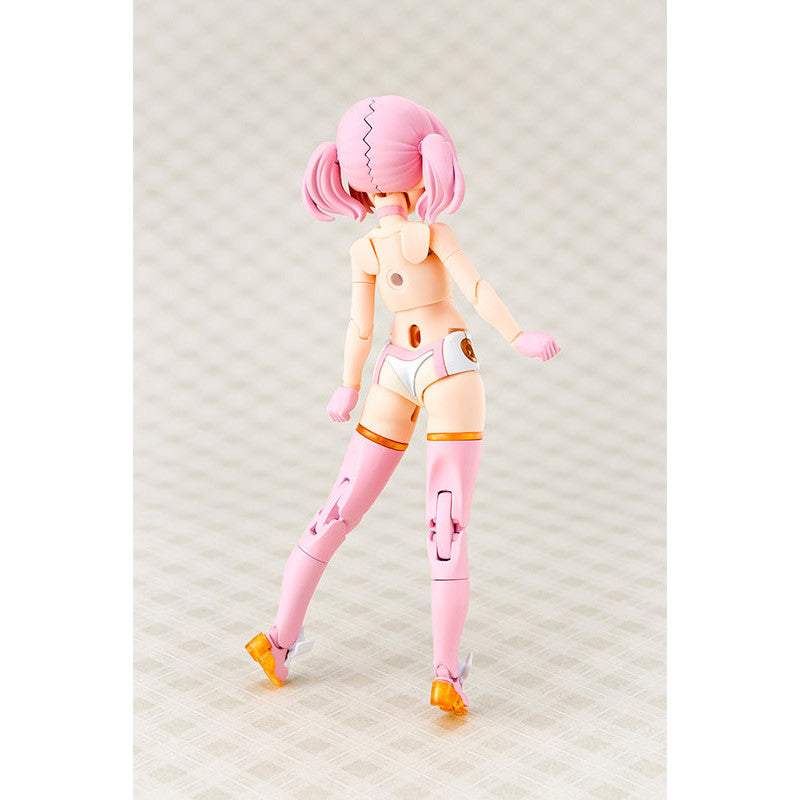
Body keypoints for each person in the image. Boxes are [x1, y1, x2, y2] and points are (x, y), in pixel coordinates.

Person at [246, 95, 560, 715]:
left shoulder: (364, 249)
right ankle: (445, 673)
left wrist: (347, 384)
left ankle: (278, 638)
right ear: (423, 162)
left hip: (391, 369)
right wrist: (518, 337)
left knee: (337, 507)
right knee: (446, 523)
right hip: (447, 365)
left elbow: (360, 327)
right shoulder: (433, 234)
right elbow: (477, 290)